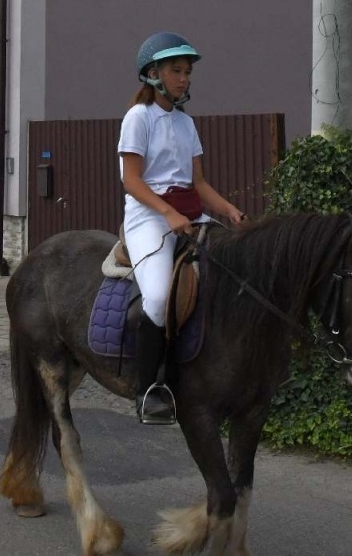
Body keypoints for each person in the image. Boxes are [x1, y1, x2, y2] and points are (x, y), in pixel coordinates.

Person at [118, 32, 244, 425]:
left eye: (187, 72)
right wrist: (168, 214)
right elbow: (132, 181)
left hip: (189, 215)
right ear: (153, 73)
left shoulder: (186, 123)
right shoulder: (138, 118)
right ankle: (150, 390)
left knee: (234, 273)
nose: (184, 78)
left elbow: (199, 184)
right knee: (156, 299)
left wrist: (229, 211)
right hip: (148, 217)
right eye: (176, 71)